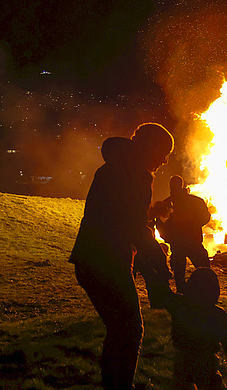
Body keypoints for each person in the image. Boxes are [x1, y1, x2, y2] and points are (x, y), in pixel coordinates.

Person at [69, 122, 174, 390]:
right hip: (107, 260)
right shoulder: (138, 174)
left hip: (90, 257)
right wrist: (161, 265)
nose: (165, 160)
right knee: (129, 329)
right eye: (165, 152)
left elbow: (120, 215)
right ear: (152, 148)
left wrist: (150, 215)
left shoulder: (113, 167)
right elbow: (131, 227)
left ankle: (114, 384)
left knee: (120, 329)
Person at [155, 267, 227, 390]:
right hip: (206, 358)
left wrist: (159, 274)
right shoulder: (217, 313)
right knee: (209, 384)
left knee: (181, 385)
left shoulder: (179, 304)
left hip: (183, 357)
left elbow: (163, 294)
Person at [155, 175, 212, 293]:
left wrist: (168, 237)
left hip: (178, 242)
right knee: (203, 267)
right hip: (192, 240)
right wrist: (194, 226)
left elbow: (160, 224)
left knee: (179, 270)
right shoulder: (195, 201)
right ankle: (208, 291)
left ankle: (182, 293)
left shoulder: (166, 203)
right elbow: (205, 217)